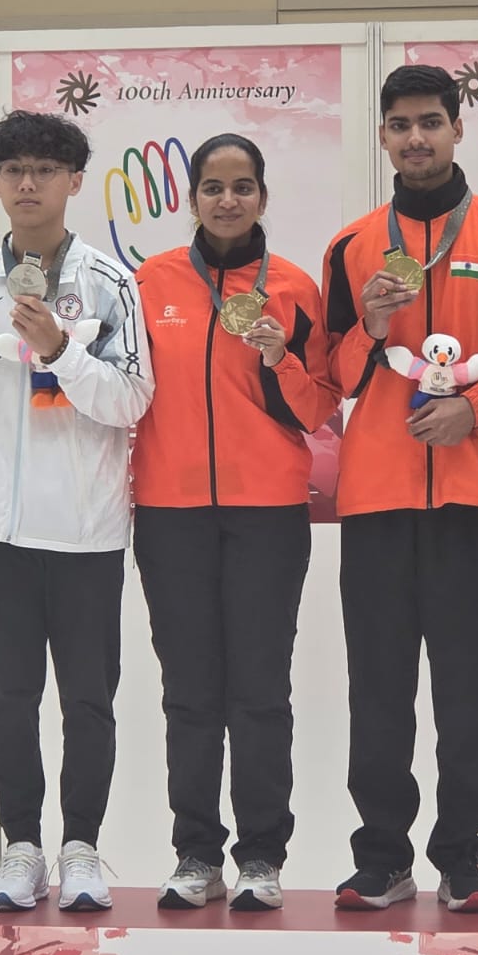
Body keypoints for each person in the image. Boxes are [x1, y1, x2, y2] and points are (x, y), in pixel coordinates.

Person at [324, 64, 478, 912]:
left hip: (475, 495)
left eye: (430, 121)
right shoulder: (352, 246)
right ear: (383, 136)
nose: (416, 138)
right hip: (376, 497)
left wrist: (477, 408)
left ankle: (463, 856)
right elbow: (333, 377)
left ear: (459, 127)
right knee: (378, 686)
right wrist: (372, 325)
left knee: (469, 686)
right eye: (400, 125)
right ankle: (383, 856)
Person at [0, 109, 154, 914]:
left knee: (89, 702)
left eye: (45, 170)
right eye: (13, 170)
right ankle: (21, 848)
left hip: (87, 531)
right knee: (10, 701)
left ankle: (82, 848)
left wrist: (62, 351)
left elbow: (132, 399)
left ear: (74, 182)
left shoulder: (109, 283)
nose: (28, 183)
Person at [130, 133, 339, 912]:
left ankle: (260, 856)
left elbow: (318, 408)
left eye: (242, 186)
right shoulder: (148, 282)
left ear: (262, 197)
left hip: (267, 511)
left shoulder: (293, 287)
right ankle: (195, 855)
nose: (227, 200)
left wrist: (281, 357)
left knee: (259, 691)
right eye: (213, 187)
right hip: (170, 509)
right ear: (191, 198)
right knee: (189, 692)